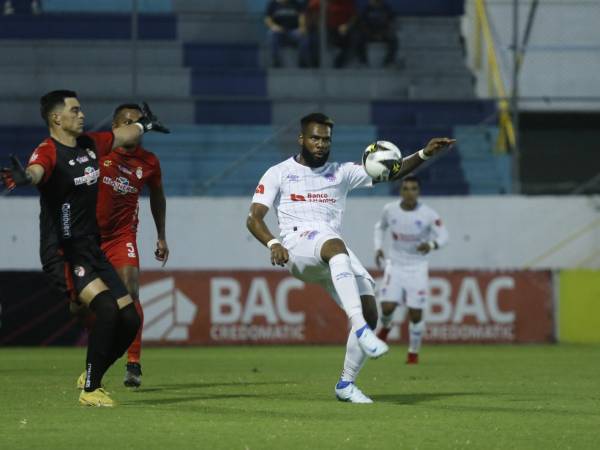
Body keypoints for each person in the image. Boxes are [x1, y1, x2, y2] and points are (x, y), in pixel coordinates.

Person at [246, 112, 455, 403]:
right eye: (315, 138)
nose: (321, 144)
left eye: (326, 139)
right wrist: (272, 243)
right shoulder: (278, 172)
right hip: (296, 246)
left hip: (332, 254)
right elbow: (253, 218)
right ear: (302, 139)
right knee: (336, 247)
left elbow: (391, 170)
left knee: (372, 310)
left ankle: (346, 383)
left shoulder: (341, 171)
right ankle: (360, 329)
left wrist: (424, 153)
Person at [0, 90, 169, 406]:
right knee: (106, 308)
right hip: (64, 251)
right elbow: (37, 170)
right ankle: (91, 389)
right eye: (74, 110)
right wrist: (26, 176)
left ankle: (95, 372)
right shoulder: (48, 151)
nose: (81, 114)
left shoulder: (91, 144)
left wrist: (144, 125)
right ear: (56, 118)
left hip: (91, 249)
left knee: (129, 318)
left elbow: (124, 133)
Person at [96, 103, 169, 388]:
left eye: (138, 122)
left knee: (131, 292)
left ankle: (133, 361)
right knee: (80, 308)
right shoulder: (99, 151)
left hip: (121, 237)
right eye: (127, 122)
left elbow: (158, 197)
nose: (132, 127)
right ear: (115, 127)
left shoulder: (149, 161)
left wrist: (161, 235)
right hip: (88, 237)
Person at [374, 175, 449, 364]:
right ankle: (386, 326)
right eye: (406, 188)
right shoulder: (390, 210)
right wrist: (378, 247)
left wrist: (432, 245)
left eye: (413, 189)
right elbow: (379, 227)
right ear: (400, 191)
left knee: (415, 313)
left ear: (418, 191)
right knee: (387, 306)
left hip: (417, 267)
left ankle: (413, 352)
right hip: (396, 264)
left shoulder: (428, 214)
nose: (409, 193)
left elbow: (444, 236)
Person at [307, 0, 359, 68]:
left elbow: (354, 16)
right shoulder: (318, 2)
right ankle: (314, 66)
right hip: (325, 29)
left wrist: (347, 26)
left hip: (342, 29)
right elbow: (311, 14)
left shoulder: (347, 2)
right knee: (313, 40)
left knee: (356, 37)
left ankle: (340, 63)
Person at [264, 0, 312, 68]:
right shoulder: (273, 4)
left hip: (293, 31)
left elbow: (302, 17)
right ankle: (276, 62)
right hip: (279, 32)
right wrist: (274, 27)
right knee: (271, 34)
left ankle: (303, 62)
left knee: (304, 36)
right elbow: (267, 19)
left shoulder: (296, 4)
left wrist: (302, 27)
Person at [357, 0, 398, 67]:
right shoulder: (367, 9)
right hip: (370, 33)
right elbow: (362, 23)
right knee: (359, 39)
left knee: (394, 40)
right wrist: (370, 33)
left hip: (383, 33)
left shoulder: (387, 9)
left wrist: (383, 33)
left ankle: (388, 61)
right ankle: (363, 62)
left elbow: (392, 22)